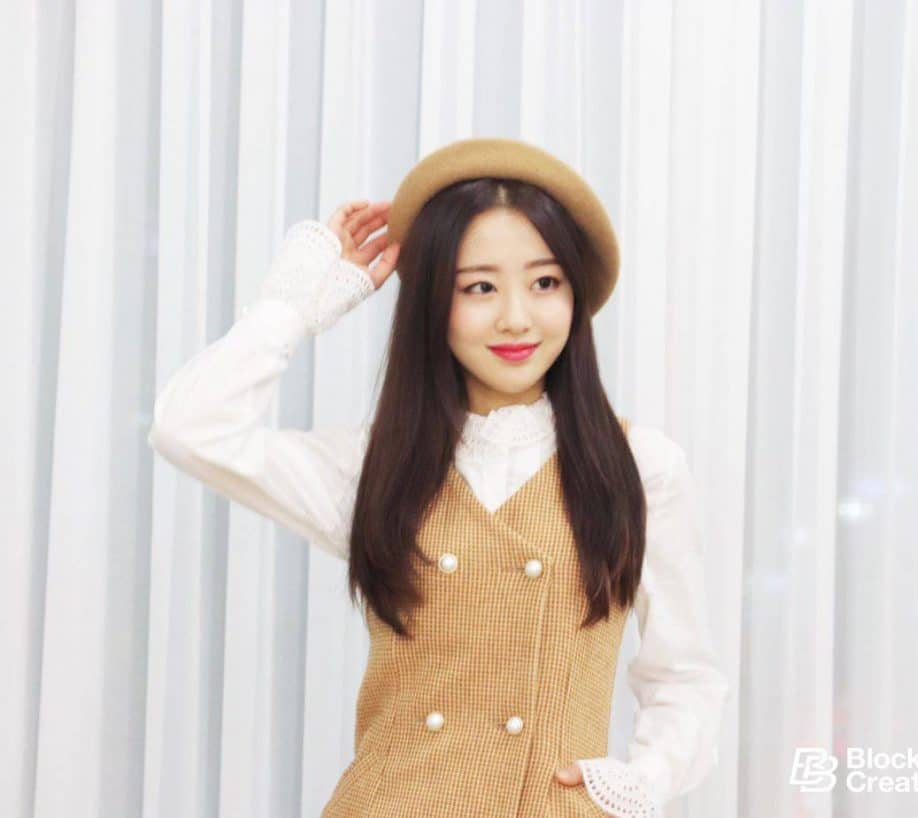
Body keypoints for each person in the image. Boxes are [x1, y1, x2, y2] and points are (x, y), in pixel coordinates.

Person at [148, 137, 730, 818]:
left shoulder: (639, 467)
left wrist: (644, 779)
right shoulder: (374, 468)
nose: (516, 316)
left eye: (545, 283)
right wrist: (291, 309)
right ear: (433, 302)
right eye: (479, 287)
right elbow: (188, 429)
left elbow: (684, 675)